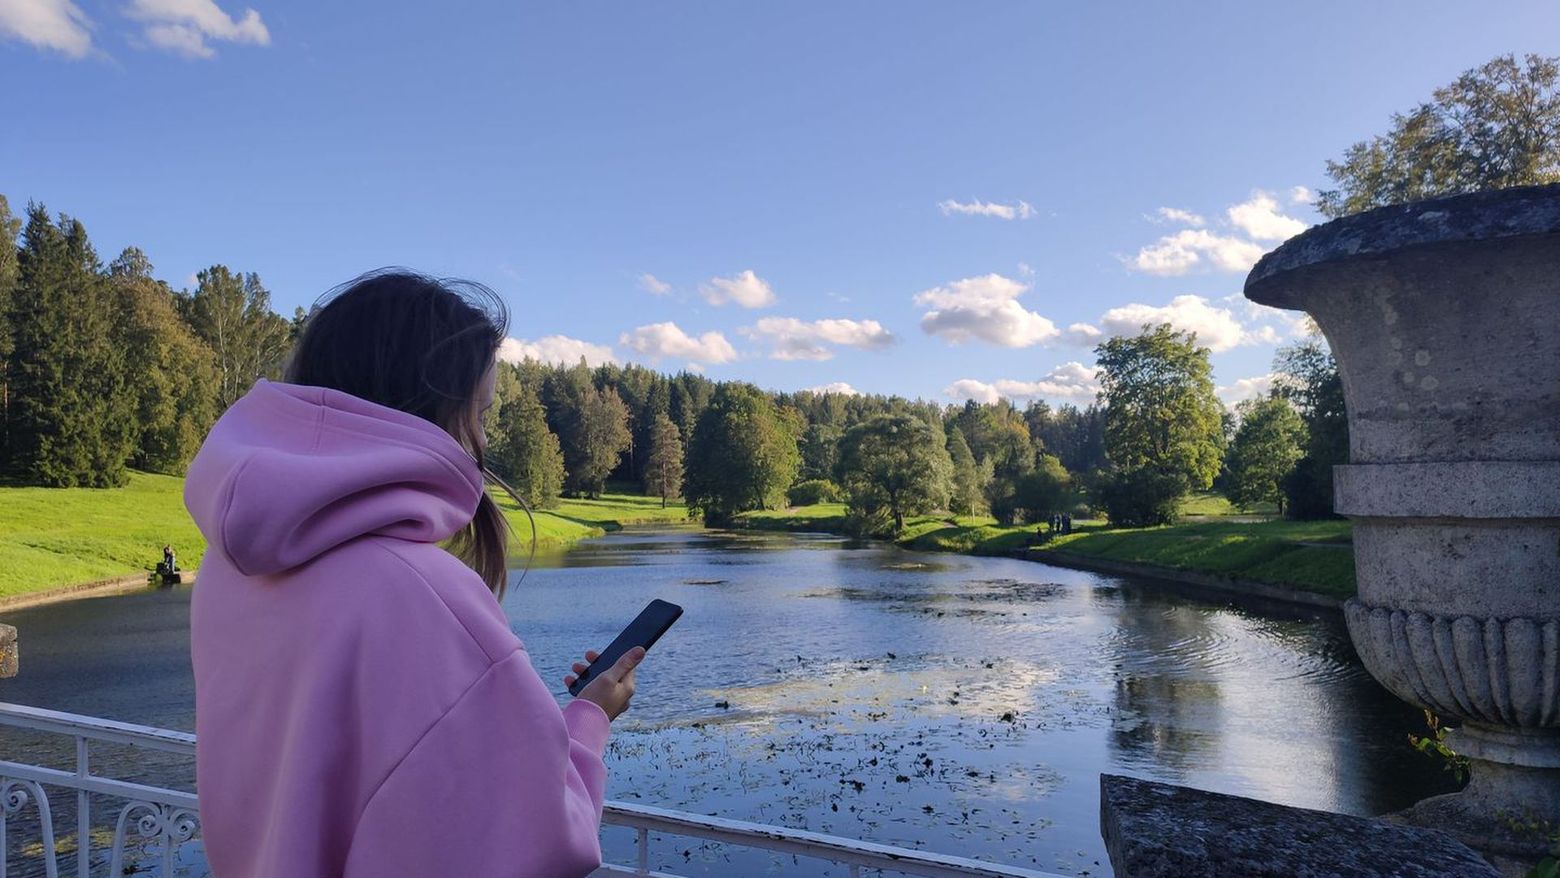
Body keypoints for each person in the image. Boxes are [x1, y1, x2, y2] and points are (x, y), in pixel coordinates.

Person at [184, 270, 644, 878]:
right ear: (432, 413)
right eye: (479, 413)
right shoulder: (423, 594)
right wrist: (590, 717)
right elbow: (537, 842)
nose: (481, 440)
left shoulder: (229, 570)